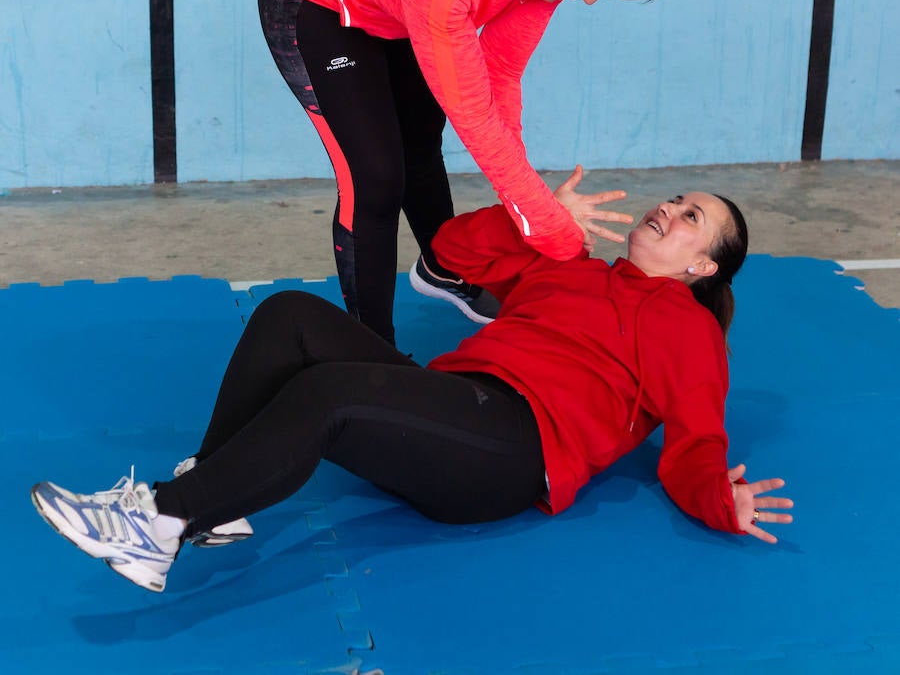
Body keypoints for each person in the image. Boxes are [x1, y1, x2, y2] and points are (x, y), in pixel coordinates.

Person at [31, 175, 793, 593]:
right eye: (676, 198)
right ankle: (215, 494)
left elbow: (698, 433)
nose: (669, 208)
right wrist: (534, 217)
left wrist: (718, 500)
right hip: (456, 405)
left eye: (691, 217)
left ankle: (161, 520)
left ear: (702, 266)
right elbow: (452, 251)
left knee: (327, 394)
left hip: (511, 449)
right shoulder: (572, 264)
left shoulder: (685, 326)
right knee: (290, 315)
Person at [259, 0, 669, 343]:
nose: (589, 0)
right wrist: (553, 232)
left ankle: (443, 268)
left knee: (419, 141)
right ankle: (368, 351)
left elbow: (500, 78)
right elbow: (474, 116)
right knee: (375, 177)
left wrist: (530, 208)